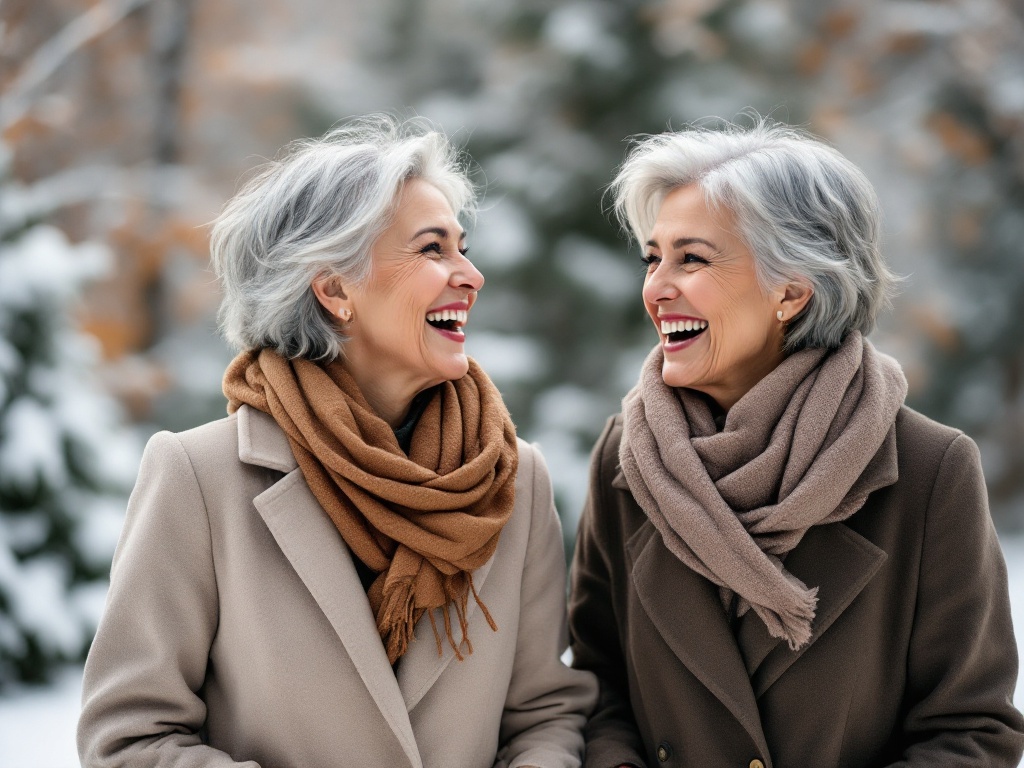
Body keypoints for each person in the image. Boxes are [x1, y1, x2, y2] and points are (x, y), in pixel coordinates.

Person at [78, 116, 596, 768]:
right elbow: (129, 737)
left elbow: (546, 715)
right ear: (333, 290)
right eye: (433, 249)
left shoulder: (515, 479)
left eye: (463, 248)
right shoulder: (198, 476)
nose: (470, 275)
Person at [569, 118, 1024, 768]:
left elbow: (971, 727)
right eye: (653, 257)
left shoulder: (928, 468)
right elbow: (597, 685)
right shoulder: (628, 454)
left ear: (790, 291)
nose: (656, 287)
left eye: (691, 259)